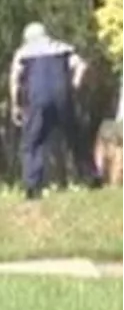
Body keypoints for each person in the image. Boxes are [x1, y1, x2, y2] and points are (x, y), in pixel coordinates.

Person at [9, 22, 104, 200]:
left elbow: (15, 80)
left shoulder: (23, 53)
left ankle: (32, 186)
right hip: (62, 97)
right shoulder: (61, 48)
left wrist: (16, 105)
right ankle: (91, 177)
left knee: (32, 143)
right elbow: (81, 66)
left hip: (37, 100)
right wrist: (74, 85)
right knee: (75, 138)